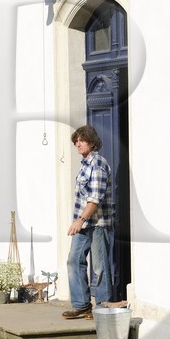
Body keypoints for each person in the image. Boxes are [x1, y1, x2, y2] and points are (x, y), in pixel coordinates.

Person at [63, 124, 114, 319]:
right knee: (73, 260)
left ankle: (102, 307)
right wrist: (80, 221)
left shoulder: (97, 165)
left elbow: (94, 199)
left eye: (82, 139)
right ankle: (82, 305)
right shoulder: (85, 164)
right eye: (76, 140)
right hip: (83, 223)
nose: (78, 143)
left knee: (99, 266)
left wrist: (80, 220)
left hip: (97, 224)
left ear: (92, 142)